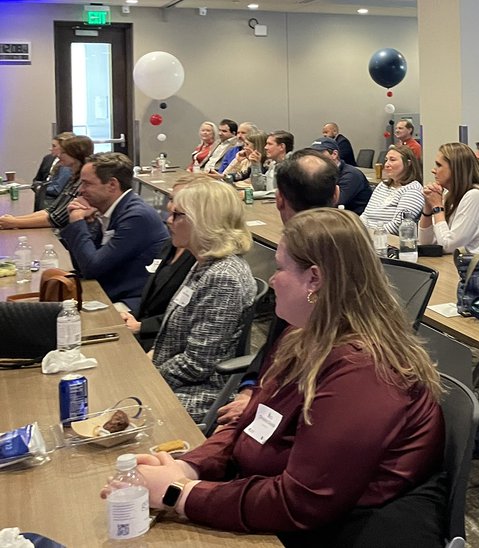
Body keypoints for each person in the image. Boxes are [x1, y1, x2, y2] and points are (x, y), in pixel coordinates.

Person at [123, 208, 445, 537]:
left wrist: (180, 493)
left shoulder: (364, 371)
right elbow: (248, 420)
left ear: (315, 279)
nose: (272, 279)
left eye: (280, 268)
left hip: (334, 530)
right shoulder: (302, 334)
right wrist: (187, 467)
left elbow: (302, 502)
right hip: (270, 501)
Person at [215, 150, 339, 428]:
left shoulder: (306, 272)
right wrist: (251, 388)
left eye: (280, 270)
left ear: (279, 199)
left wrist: (255, 398)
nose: (273, 279)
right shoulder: (346, 254)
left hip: (287, 408)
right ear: (337, 195)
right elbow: (276, 348)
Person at [151, 177, 257, 421]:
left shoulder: (223, 277)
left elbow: (198, 364)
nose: (169, 221)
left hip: (202, 391)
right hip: (179, 378)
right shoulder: (205, 262)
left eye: (177, 215)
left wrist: (150, 378)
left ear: (202, 221)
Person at [57, 152, 169, 312]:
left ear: (112, 185)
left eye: (87, 184)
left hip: (132, 301)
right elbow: (83, 265)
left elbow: (92, 268)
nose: (81, 191)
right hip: (109, 289)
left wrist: (77, 222)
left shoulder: (136, 217)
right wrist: (88, 225)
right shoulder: (108, 211)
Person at [121, 175, 202, 350]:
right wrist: (132, 317)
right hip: (145, 328)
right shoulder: (172, 242)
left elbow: (187, 317)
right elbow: (153, 297)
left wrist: (142, 327)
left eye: (180, 202)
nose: (170, 207)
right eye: (172, 199)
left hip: (162, 341)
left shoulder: (200, 257)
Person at [419, 142, 479, 257]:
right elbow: (426, 243)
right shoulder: (449, 194)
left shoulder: (476, 195)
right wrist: (428, 207)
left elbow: (449, 246)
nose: (433, 170)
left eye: (439, 165)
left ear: (455, 169)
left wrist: (437, 207)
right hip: (465, 265)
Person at [0, 135, 94, 231]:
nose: (58, 155)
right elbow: (50, 210)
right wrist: (12, 220)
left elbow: (57, 220)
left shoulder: (81, 183)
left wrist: (14, 222)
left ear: (76, 154)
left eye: (64, 152)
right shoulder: (73, 178)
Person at [361, 144, 425, 234]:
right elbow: (365, 215)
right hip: (367, 235)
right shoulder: (383, 185)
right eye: (386, 160)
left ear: (408, 163)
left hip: (387, 240)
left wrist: (372, 234)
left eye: (392, 160)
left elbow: (399, 226)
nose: (386, 164)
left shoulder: (413, 190)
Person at [312, 137, 370, 214]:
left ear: (334, 154)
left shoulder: (351, 175)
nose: (314, 158)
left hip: (353, 220)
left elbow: (335, 203)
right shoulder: (322, 173)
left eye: (319, 154)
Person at [31, 132, 73, 212]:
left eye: (54, 146)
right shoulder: (48, 158)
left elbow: (56, 189)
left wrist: (39, 187)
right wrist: (37, 186)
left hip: (53, 204)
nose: (50, 149)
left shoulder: (66, 165)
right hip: (42, 198)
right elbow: (37, 179)